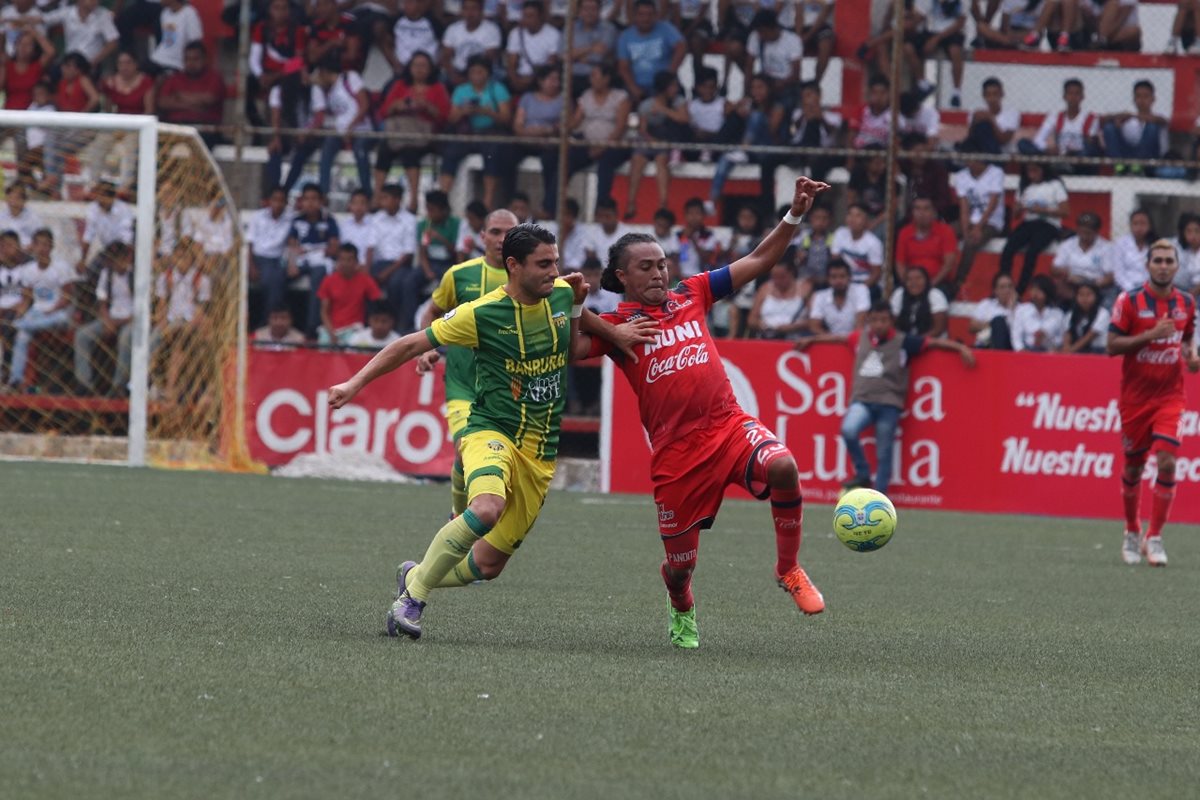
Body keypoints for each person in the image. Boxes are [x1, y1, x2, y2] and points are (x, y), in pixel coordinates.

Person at [579, 176, 833, 650]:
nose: (658, 273)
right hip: (678, 456)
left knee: (783, 465)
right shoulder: (616, 327)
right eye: (646, 267)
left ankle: (788, 568)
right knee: (680, 568)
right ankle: (681, 602)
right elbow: (568, 345)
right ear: (621, 279)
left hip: (728, 425)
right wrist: (582, 310)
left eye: (662, 264)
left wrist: (794, 214)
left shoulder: (691, 293)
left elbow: (759, 260)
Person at [329, 225, 589, 640]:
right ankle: (412, 600)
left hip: (540, 453)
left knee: (487, 567)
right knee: (486, 508)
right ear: (513, 266)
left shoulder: (560, 292)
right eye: (544, 264)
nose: (554, 270)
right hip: (491, 431)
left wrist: (579, 309)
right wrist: (353, 384)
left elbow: (576, 341)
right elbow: (410, 344)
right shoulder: (481, 313)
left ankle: (415, 575)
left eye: (555, 261)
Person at [417, 209, 652, 517]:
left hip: (512, 390)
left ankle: (474, 520)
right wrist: (425, 349)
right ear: (483, 236)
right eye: (495, 232)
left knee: (498, 473)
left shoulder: (538, 276)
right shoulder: (460, 275)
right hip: (465, 384)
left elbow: (569, 305)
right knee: (465, 447)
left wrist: (613, 332)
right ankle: (461, 514)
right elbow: (432, 311)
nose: (502, 239)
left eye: (508, 232)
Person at [797, 299, 975, 494]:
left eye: (883, 320)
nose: (879, 325)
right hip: (862, 400)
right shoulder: (859, 338)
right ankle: (863, 473)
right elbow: (837, 338)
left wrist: (961, 348)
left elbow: (934, 343)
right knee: (848, 430)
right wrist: (812, 340)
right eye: (874, 320)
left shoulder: (904, 341)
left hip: (889, 404)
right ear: (869, 321)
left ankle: (880, 497)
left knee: (884, 451)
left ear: (891, 321)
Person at [1107, 239, 1200, 567]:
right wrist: (1149, 335)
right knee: (1133, 467)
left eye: (1168, 260)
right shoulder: (1129, 301)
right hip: (1135, 400)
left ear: (1176, 266)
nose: (1163, 265)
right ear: (1148, 265)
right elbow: (1112, 345)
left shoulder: (1186, 303)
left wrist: (1191, 355)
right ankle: (1132, 530)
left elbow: (1187, 336)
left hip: (1170, 397)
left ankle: (1155, 535)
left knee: (1167, 462)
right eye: (1157, 260)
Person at [4, 228, 75, 392]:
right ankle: (15, 380)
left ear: (51, 247)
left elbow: (68, 297)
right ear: (33, 247)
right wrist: (21, 312)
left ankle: (22, 325)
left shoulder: (61, 267)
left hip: (57, 313)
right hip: (37, 313)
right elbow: (27, 298)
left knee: (62, 319)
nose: (42, 248)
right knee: (22, 337)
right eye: (38, 244)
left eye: (45, 244)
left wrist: (52, 310)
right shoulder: (28, 270)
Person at [373, 51, 449, 202]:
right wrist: (398, 105)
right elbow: (384, 111)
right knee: (383, 151)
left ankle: (413, 199)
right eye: (416, 65)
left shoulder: (437, 88)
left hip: (423, 136)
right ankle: (377, 196)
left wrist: (426, 107)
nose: (419, 69)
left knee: (410, 153)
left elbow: (444, 116)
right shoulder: (400, 85)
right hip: (399, 133)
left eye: (423, 66)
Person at [999, 163, 1069, 298]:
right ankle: (1005, 283)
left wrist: (1042, 210)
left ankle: (1020, 289)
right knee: (1008, 248)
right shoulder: (1024, 186)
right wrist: (1018, 208)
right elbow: (1015, 215)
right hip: (1029, 222)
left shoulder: (1054, 185)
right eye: (1029, 171)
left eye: (1035, 171)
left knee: (1032, 252)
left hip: (1049, 224)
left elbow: (1065, 211)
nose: (1032, 175)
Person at [626, 71, 689, 221]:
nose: (675, 89)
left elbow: (684, 119)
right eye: (672, 86)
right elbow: (642, 129)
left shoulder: (678, 101)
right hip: (650, 140)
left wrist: (664, 110)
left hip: (669, 141)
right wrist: (651, 140)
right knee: (637, 159)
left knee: (661, 160)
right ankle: (631, 203)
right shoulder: (646, 105)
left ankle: (663, 204)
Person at [950, 157, 1005, 297]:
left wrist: (978, 228)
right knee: (946, 233)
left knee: (971, 242)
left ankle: (958, 281)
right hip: (970, 220)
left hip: (991, 222)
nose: (968, 163)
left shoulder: (995, 172)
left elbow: (993, 205)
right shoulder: (962, 175)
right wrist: (965, 229)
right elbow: (964, 208)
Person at [616, 0, 686, 105]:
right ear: (634, 15)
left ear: (656, 15)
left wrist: (670, 74)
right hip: (638, 87)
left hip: (664, 86)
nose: (646, 18)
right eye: (641, 14)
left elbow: (681, 47)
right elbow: (623, 67)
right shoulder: (625, 36)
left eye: (650, 14)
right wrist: (634, 89)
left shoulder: (666, 28)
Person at [156, 42, 226, 147]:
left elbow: (210, 99)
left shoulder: (214, 77)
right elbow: (163, 102)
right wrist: (193, 104)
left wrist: (180, 96)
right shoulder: (175, 78)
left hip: (205, 128)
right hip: (176, 126)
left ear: (205, 59)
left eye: (195, 59)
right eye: (187, 59)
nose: (191, 63)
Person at [1101, 80, 1168, 174]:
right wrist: (1117, 117)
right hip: (1127, 156)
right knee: (1109, 128)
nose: (1142, 100)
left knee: (1152, 127)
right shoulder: (1128, 119)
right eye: (1138, 96)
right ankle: (1119, 167)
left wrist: (1134, 116)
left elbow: (1163, 121)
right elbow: (1102, 120)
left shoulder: (1158, 117)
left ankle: (1138, 166)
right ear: (1134, 99)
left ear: (1153, 99)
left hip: (1150, 159)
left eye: (1146, 96)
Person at [318, 244, 381, 344]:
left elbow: (379, 303)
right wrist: (331, 333)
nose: (345, 263)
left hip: (354, 329)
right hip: (331, 329)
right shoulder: (328, 281)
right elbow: (324, 311)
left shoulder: (365, 280)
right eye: (342, 259)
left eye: (349, 260)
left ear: (356, 262)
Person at [895, 196, 957, 295]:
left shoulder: (946, 231)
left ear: (934, 212)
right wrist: (909, 284)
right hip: (911, 283)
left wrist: (930, 284)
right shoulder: (904, 232)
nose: (921, 213)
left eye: (926, 209)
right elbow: (900, 264)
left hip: (938, 283)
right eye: (917, 209)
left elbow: (948, 264)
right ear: (912, 212)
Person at [1052, 211, 1114, 302]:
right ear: (1077, 229)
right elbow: (1054, 269)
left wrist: (1089, 285)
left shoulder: (1106, 247)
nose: (1084, 235)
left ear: (1096, 231)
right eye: (1082, 230)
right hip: (1072, 283)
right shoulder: (1067, 244)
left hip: (1096, 286)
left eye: (1088, 232)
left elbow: (1110, 277)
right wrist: (1067, 274)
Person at [504, 0, 561, 94]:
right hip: (520, 77)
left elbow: (551, 63)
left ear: (541, 16)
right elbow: (511, 63)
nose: (526, 20)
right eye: (524, 16)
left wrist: (532, 80)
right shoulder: (515, 33)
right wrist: (515, 81)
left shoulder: (553, 34)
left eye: (531, 16)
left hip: (541, 77)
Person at [807, 260, 869, 335]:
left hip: (858, 341)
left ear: (850, 277)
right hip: (831, 342)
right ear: (828, 279)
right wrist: (833, 340)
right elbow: (814, 327)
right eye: (834, 277)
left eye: (842, 276)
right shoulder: (820, 296)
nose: (838, 281)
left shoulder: (861, 290)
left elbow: (860, 326)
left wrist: (836, 339)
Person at [748, 262, 808, 339]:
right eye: (774, 277)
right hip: (767, 337)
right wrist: (762, 326)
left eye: (782, 277)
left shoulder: (804, 289)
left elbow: (813, 321)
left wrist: (793, 327)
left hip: (795, 338)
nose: (778, 281)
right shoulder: (765, 288)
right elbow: (751, 319)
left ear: (791, 273)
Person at [1012, 275, 1065, 352]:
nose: (1035, 293)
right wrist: (1022, 351)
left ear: (1047, 292)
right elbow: (1016, 336)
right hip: (1027, 350)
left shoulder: (1057, 314)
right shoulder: (1021, 310)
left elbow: (1061, 338)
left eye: (1039, 290)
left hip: (1049, 351)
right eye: (1033, 289)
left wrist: (1047, 338)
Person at [890, 267, 948, 337]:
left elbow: (938, 329)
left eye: (918, 278)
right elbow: (892, 324)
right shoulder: (899, 294)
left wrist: (916, 342)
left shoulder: (935, 295)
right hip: (903, 340)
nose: (914, 282)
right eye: (909, 279)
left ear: (926, 280)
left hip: (931, 341)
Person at [970, 271, 1018, 350]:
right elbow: (972, 327)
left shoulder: (1021, 309)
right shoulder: (986, 305)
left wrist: (1012, 309)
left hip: (1009, 347)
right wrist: (993, 324)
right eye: (1002, 287)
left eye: (1010, 286)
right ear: (995, 291)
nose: (1007, 290)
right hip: (986, 345)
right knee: (998, 322)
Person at [1061, 282, 1109, 354]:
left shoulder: (1103, 313)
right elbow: (1067, 334)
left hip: (1098, 351)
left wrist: (1070, 351)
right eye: (1081, 295)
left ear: (1096, 296)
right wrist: (1066, 348)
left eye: (1088, 294)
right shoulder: (1070, 314)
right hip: (1076, 350)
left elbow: (1090, 336)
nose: (1084, 298)